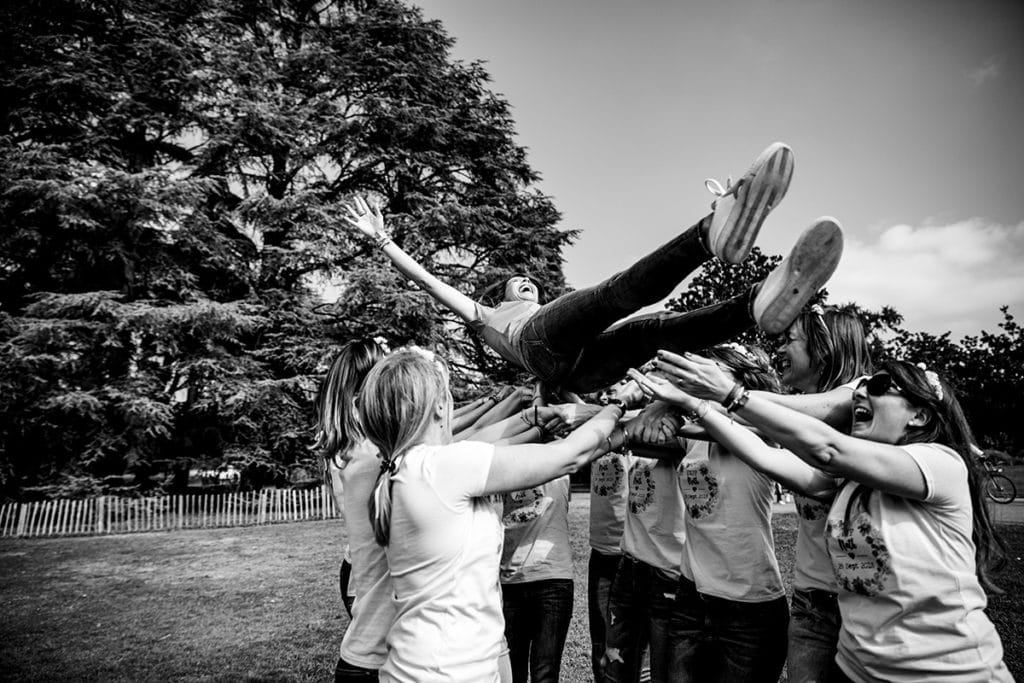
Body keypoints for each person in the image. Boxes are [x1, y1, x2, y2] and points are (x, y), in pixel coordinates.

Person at [343, 143, 845, 392]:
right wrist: (384, 240)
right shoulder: (489, 312)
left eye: (532, 281)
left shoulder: (550, 314)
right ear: (503, 292)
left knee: (654, 330)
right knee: (614, 296)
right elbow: (431, 283)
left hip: (575, 373)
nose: (529, 280)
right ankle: (707, 234)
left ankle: (753, 306)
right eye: (521, 281)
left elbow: (549, 380)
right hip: (539, 346)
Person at [632, 355, 1012, 682]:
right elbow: (770, 458)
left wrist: (733, 395)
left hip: (947, 671)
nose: (859, 393)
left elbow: (826, 448)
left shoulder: (941, 462)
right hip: (858, 668)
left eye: (879, 385)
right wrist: (695, 405)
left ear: (921, 415)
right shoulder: (849, 480)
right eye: (860, 387)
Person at [358, 348, 631, 682]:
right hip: (448, 672)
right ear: (440, 406)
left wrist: (536, 420)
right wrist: (620, 407)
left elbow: (496, 441)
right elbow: (568, 457)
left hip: (426, 665)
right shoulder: (442, 467)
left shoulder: (409, 466)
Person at [312, 339, 390, 681]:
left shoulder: (347, 437)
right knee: (376, 659)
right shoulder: (364, 447)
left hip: (357, 564)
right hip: (367, 570)